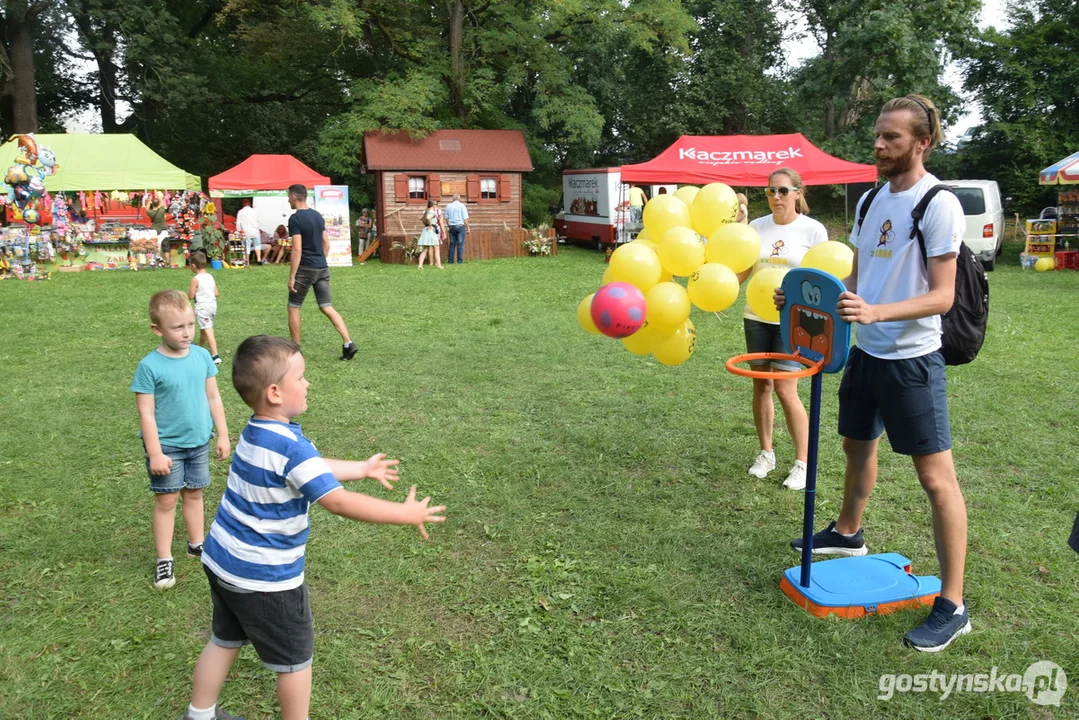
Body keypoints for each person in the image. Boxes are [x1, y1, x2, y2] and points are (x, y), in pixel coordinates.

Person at [782, 94, 969, 652]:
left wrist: (878, 313)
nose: (879, 145)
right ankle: (848, 533)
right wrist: (801, 299)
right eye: (878, 136)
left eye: (891, 137)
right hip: (867, 353)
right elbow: (854, 288)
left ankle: (953, 604)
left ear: (922, 142)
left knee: (937, 480)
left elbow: (943, 296)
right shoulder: (868, 201)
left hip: (912, 360)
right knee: (855, 445)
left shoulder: (939, 204)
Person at [178, 335, 446, 720]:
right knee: (294, 661)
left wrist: (362, 468)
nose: (308, 384)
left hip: (222, 561)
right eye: (301, 378)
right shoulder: (291, 446)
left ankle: (199, 715)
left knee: (225, 638)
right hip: (265, 578)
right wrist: (403, 514)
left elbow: (309, 472)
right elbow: (335, 500)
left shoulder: (256, 431)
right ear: (274, 392)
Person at [131, 290, 230, 590]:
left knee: (195, 494)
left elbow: (213, 397)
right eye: (178, 327)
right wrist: (155, 453)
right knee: (166, 501)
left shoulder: (202, 357)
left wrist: (223, 434)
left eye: (190, 325)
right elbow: (146, 414)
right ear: (157, 330)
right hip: (167, 447)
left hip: (199, 441)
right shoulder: (149, 367)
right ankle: (164, 560)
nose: (187, 332)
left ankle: (197, 544)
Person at [739, 168, 827, 490]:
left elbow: (819, 281)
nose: (776, 197)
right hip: (756, 317)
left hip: (793, 320)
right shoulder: (755, 227)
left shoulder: (813, 231)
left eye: (783, 191)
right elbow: (742, 271)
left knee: (786, 390)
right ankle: (766, 453)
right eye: (770, 191)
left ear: (798, 193)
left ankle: (802, 462)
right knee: (761, 386)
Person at [286, 184, 358, 360]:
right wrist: (320, 260)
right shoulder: (317, 216)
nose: (288, 200)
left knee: (293, 307)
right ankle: (348, 343)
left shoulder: (295, 219)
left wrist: (292, 276)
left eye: (288, 197)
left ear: (294, 197)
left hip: (305, 269)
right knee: (326, 306)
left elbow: (297, 249)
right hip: (322, 267)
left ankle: (296, 351)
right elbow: (326, 243)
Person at [187, 251, 221, 364]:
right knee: (204, 329)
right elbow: (216, 293)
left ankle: (215, 355)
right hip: (212, 306)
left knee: (208, 330)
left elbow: (190, 296)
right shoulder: (210, 276)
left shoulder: (195, 279)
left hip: (203, 308)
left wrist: (197, 292)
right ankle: (200, 346)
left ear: (193, 265)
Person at [416, 199, 444, 270]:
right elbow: (428, 218)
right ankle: (439, 265)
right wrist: (430, 225)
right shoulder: (433, 213)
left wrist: (426, 220)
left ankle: (420, 266)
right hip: (431, 230)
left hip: (425, 230)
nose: (436, 206)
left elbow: (420, 218)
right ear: (433, 205)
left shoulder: (426, 212)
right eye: (436, 205)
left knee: (425, 249)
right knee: (436, 247)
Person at [144, 193, 171, 266]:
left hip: (154, 231)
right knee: (166, 247)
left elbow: (146, 208)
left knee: (155, 247)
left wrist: (149, 200)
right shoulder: (162, 210)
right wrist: (157, 194)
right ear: (158, 203)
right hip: (163, 231)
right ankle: (168, 262)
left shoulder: (150, 212)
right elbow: (162, 202)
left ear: (152, 204)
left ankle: (154, 262)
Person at [444, 194, 470, 264]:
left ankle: (450, 260)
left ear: (453, 199)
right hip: (460, 226)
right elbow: (465, 218)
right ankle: (460, 261)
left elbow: (446, 217)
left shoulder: (448, 206)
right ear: (459, 199)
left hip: (452, 226)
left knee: (452, 244)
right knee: (460, 244)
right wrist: (468, 227)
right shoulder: (462, 206)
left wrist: (449, 225)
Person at [235, 199, 262, 266]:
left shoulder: (241, 212)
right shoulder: (255, 211)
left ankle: (247, 261)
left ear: (243, 204)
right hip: (255, 231)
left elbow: (238, 223)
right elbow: (259, 221)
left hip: (246, 231)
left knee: (246, 247)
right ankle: (259, 259)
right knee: (257, 245)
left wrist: (239, 230)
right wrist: (257, 228)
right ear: (250, 204)